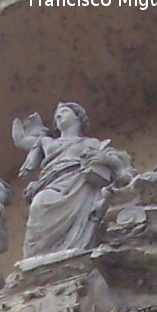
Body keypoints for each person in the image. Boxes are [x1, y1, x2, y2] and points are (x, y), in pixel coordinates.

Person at [13, 102, 133, 258]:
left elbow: (118, 161)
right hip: (52, 182)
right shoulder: (47, 142)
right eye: (57, 115)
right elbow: (20, 141)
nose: (58, 116)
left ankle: (73, 250)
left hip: (79, 183)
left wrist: (104, 159)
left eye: (64, 111)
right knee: (39, 204)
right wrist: (14, 117)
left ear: (78, 118)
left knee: (80, 222)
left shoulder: (91, 143)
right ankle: (37, 256)